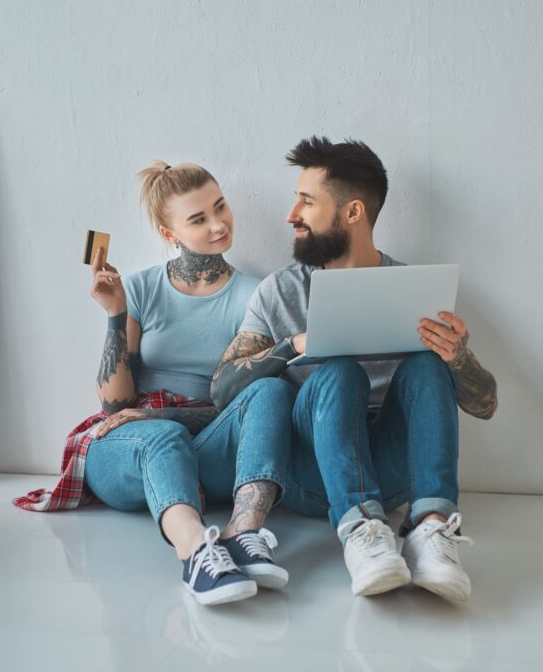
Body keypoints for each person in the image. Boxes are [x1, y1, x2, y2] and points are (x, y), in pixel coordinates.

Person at [210, 137, 498, 600]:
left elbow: (487, 404)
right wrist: (293, 345)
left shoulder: (416, 289)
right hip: (310, 472)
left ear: (352, 212)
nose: (291, 215)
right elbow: (222, 391)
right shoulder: (278, 292)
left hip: (389, 471)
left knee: (427, 364)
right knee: (340, 371)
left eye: (306, 201)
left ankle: (430, 532)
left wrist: (457, 358)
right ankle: (361, 533)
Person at [21, 161, 294, 606]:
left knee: (273, 389)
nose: (219, 224)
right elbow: (116, 406)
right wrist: (114, 315)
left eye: (220, 207)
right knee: (162, 436)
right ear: (170, 234)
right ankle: (197, 554)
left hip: (205, 437)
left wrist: (163, 413)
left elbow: (239, 401)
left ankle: (243, 535)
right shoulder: (141, 288)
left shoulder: (255, 294)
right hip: (132, 444)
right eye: (198, 219)